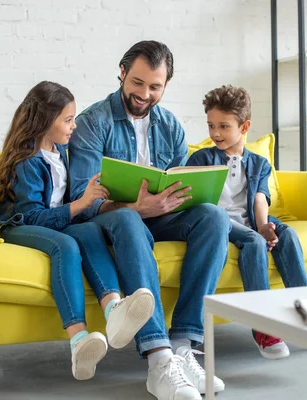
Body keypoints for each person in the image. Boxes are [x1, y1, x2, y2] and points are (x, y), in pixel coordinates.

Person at [68, 41, 229, 400]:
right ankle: (159, 359)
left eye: (154, 87)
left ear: (165, 85)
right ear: (122, 73)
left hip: (158, 216)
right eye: (137, 83)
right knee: (128, 218)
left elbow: (179, 179)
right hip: (112, 223)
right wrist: (137, 208)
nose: (144, 94)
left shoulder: (170, 125)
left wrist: (179, 198)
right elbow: (81, 196)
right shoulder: (93, 123)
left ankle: (184, 344)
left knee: (214, 218)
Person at [0, 81, 155, 381]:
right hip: (20, 226)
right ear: (45, 121)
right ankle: (78, 339)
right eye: (68, 119)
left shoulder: (60, 152)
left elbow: (63, 205)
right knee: (67, 246)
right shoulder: (28, 161)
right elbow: (34, 215)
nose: (74, 125)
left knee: (88, 231)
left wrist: (91, 198)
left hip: (51, 220)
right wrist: (81, 203)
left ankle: (114, 310)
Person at [186, 84, 307, 360]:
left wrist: (265, 225)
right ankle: (264, 328)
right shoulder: (201, 158)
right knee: (254, 242)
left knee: (286, 234)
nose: (215, 133)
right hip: (220, 222)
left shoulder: (259, 163)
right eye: (211, 126)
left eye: (223, 126)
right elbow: (195, 202)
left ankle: (306, 312)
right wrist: (258, 233)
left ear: (244, 127)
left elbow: (259, 199)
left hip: (250, 218)